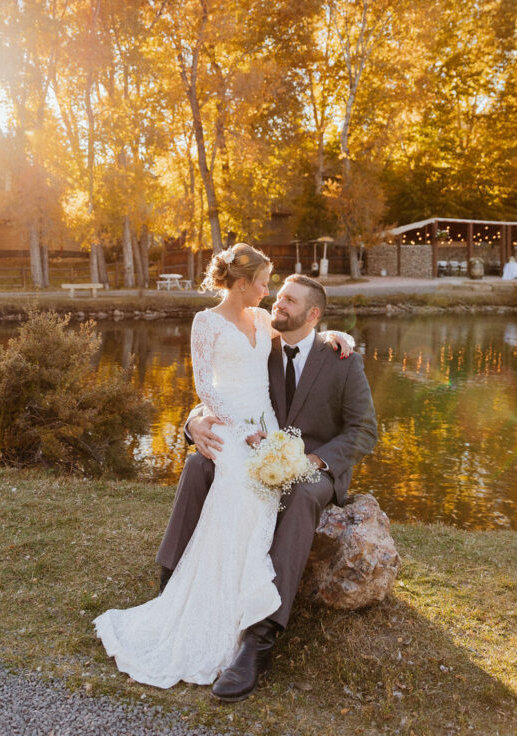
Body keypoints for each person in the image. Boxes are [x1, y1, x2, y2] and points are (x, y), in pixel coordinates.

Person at [93, 244, 357, 692]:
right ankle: (201, 597)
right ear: (242, 283)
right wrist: (211, 424)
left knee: (264, 494)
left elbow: (302, 335)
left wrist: (338, 336)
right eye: (264, 282)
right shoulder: (206, 322)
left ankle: (254, 622)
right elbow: (203, 385)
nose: (270, 293)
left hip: (269, 428)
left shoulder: (261, 321)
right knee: (233, 484)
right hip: (233, 427)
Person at [157, 269, 378, 701]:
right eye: (278, 295)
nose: (277, 303)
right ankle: (171, 578)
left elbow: (364, 430)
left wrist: (315, 459)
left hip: (315, 467)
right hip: (258, 450)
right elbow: (224, 392)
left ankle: (260, 638)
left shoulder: (342, 359)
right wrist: (193, 422)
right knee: (197, 467)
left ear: (312, 314)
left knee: (297, 495)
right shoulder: (263, 343)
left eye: (290, 301)